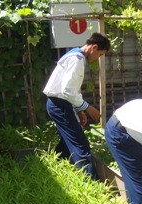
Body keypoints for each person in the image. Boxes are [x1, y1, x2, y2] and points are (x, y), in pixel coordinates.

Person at [43, 32, 110, 180]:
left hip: (59, 104)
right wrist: (87, 107)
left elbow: (68, 90)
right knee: (80, 144)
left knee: (67, 141)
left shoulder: (73, 54)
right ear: (94, 47)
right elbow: (67, 91)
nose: (97, 59)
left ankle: (56, 167)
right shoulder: (77, 59)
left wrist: (79, 109)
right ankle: (91, 183)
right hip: (59, 104)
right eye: (100, 55)